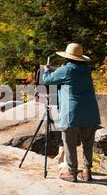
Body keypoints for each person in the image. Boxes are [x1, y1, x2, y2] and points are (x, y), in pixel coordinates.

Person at [42, 43, 101, 182]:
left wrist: (46, 70)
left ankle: (72, 172)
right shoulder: (87, 70)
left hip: (72, 112)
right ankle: (87, 171)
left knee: (69, 142)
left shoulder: (66, 69)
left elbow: (48, 79)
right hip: (90, 111)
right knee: (88, 142)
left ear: (67, 57)